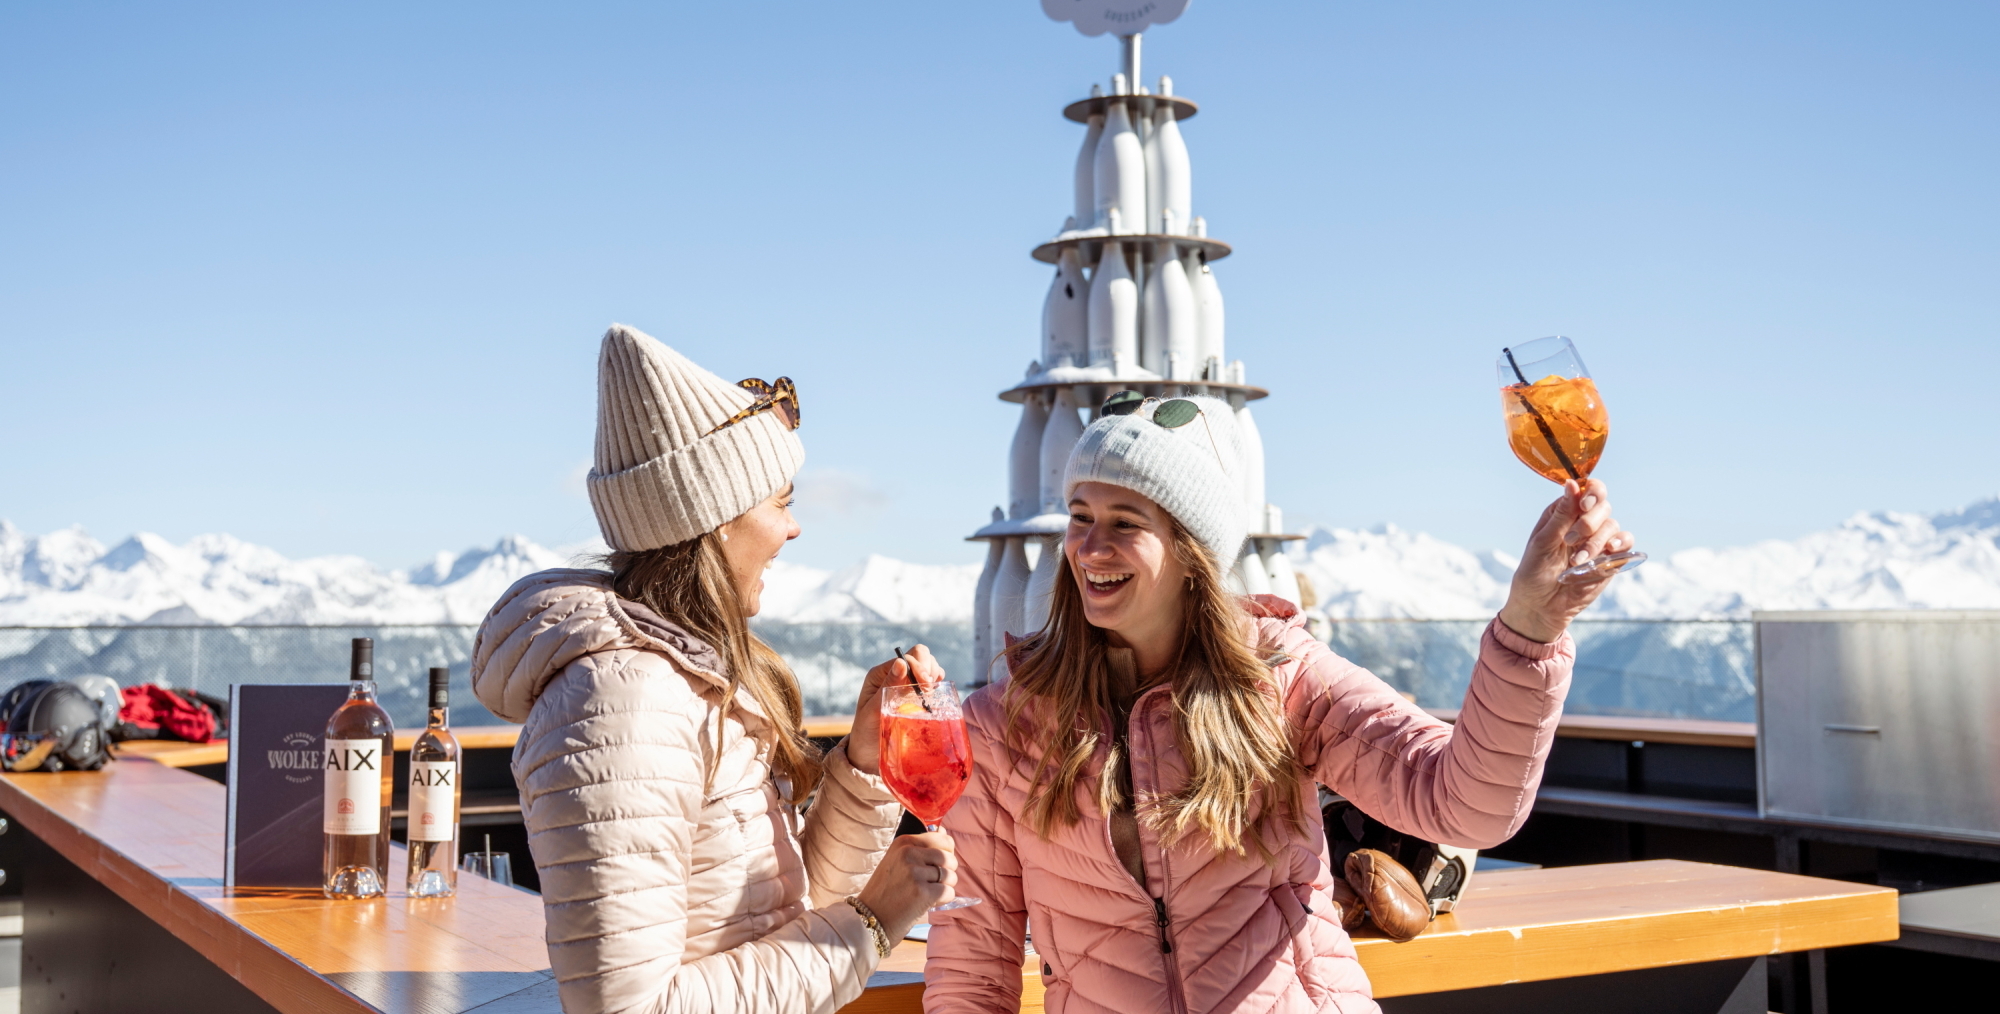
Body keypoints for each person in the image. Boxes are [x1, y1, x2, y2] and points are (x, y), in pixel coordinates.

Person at [923, 396, 1633, 1014]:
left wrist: (1530, 626)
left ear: (1190, 548)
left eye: (1125, 520)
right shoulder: (1001, 725)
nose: (1090, 546)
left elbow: (1467, 803)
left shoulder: (1281, 676)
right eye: (1080, 515)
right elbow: (973, 965)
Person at [471, 324, 958, 1014]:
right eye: (783, 501)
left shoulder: (690, 679)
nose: (793, 529)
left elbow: (788, 914)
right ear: (717, 519)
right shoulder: (623, 704)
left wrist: (865, 761)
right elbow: (631, 1008)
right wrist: (874, 920)